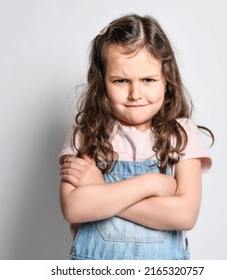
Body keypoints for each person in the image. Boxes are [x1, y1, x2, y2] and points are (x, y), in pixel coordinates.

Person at [58, 14, 213, 260]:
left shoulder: (180, 134)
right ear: (101, 83)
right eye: (120, 80)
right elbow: (74, 208)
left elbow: (185, 215)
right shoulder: (85, 133)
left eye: (148, 80)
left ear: (166, 81)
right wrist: (150, 184)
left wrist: (100, 192)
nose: (135, 93)